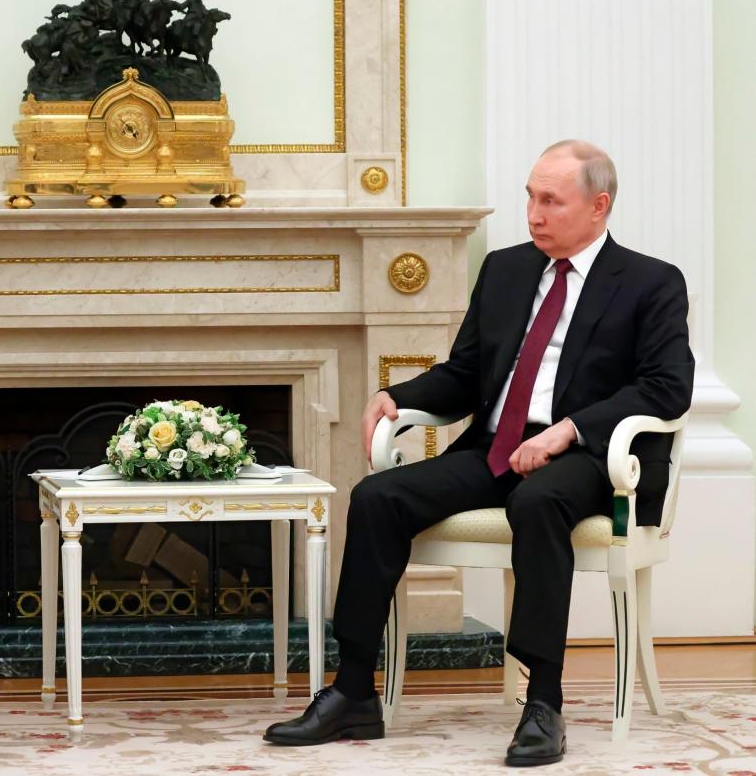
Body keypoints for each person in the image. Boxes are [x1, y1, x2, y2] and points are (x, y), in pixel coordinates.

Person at [263, 140, 694, 767]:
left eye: (552, 200)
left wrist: (568, 430)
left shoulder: (651, 282)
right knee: (377, 497)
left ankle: (542, 702)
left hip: (589, 458)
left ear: (599, 206)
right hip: (498, 447)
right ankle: (354, 689)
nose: (534, 213)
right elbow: (467, 374)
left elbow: (665, 387)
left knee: (541, 500)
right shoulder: (506, 269)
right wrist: (396, 396)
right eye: (530, 196)